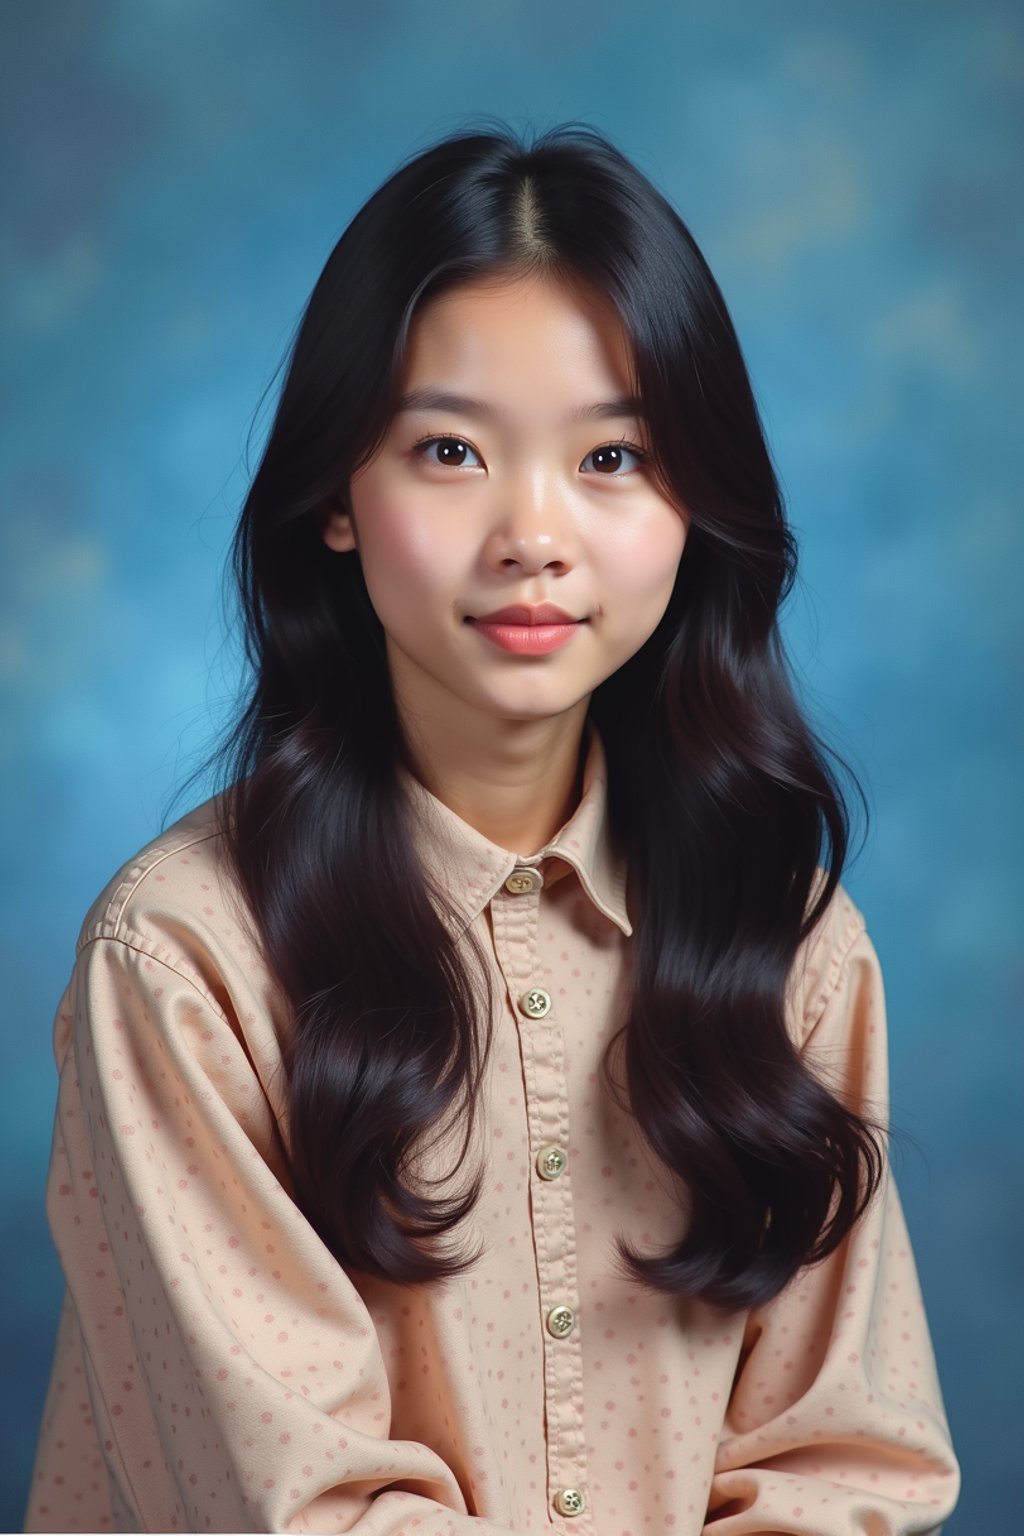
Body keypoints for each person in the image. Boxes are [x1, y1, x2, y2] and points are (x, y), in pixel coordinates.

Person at [24, 120, 960, 1535]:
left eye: (615, 458)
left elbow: (855, 1468)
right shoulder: (182, 960)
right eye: (451, 450)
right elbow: (298, 1508)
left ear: (695, 507)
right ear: (336, 497)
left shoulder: (791, 940)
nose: (534, 532)